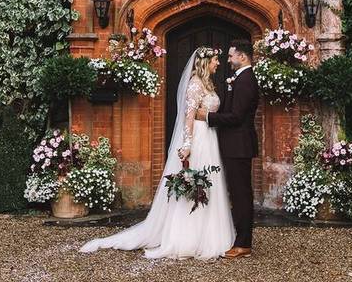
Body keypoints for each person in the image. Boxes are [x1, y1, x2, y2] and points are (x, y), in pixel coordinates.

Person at [78, 46, 235, 260]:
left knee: (210, 182)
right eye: (216, 60)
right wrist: (187, 144)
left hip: (210, 138)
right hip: (198, 139)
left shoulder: (208, 84)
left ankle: (211, 234)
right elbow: (188, 118)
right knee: (196, 184)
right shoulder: (195, 85)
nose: (219, 63)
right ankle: (187, 237)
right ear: (206, 62)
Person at [198, 39, 259, 258]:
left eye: (232, 55)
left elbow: (236, 117)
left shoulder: (246, 81)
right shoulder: (241, 78)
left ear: (242, 57)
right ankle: (240, 238)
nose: (228, 59)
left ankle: (243, 243)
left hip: (239, 146)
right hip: (234, 145)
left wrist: (207, 117)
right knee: (238, 192)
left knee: (241, 193)